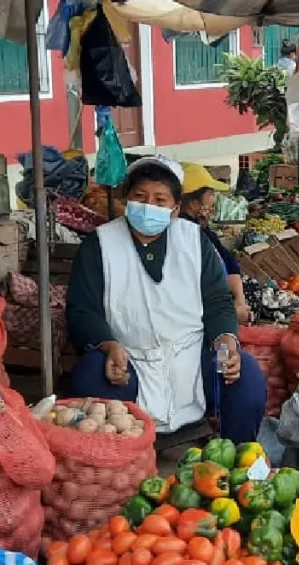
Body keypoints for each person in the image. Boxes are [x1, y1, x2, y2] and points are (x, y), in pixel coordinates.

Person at [65, 155, 267, 442]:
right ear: (126, 200)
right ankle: (123, 468)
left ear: (175, 209)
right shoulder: (99, 244)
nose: (149, 206)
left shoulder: (195, 240)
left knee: (244, 377)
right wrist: (107, 345)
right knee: (92, 375)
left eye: (160, 200)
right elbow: (82, 311)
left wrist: (225, 341)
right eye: (140, 197)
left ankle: (235, 465)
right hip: (128, 358)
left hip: (192, 356)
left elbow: (218, 302)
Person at [178, 163, 251, 324]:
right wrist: (234, 308)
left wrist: (239, 301)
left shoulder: (201, 230)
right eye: (210, 194)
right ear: (193, 203)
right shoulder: (187, 235)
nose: (213, 200)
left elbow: (228, 260)